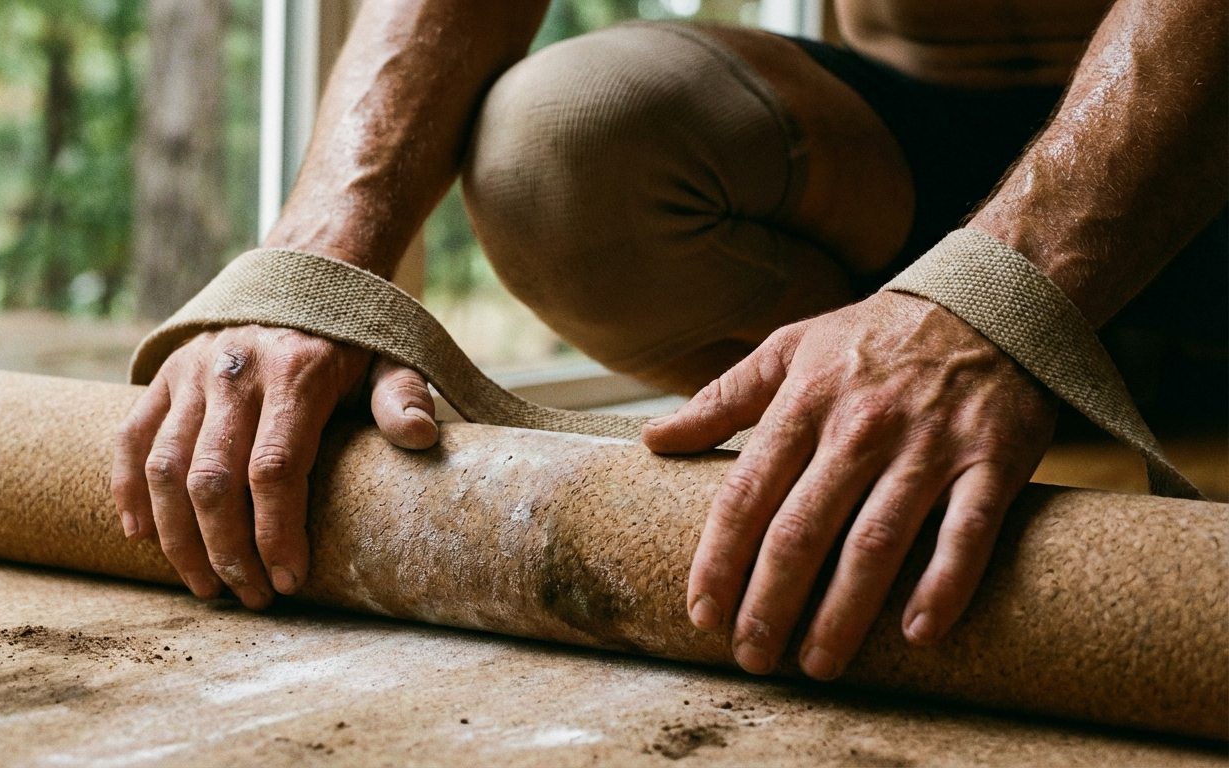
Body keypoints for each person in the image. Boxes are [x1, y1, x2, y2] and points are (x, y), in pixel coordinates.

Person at [110, 0, 1227, 681]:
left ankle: (1017, 368)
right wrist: (321, 267)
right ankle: (890, 403)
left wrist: (1004, 296)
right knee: (563, 138)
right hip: (909, 151)